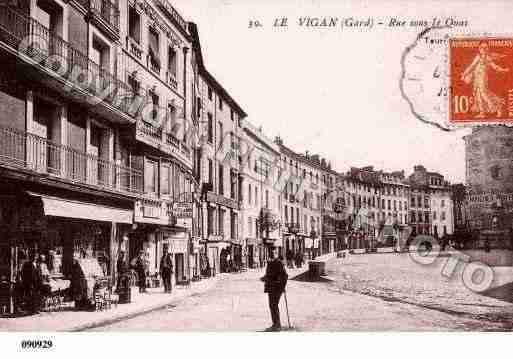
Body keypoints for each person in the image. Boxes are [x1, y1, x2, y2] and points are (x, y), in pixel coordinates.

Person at [260, 246, 288, 331]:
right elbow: (269, 275)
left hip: (277, 288)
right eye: (270, 253)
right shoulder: (270, 263)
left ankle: (277, 325)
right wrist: (264, 278)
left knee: (274, 305)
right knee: (272, 306)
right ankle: (275, 324)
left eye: (273, 253)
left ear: (276, 253)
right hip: (271, 288)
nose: (271, 254)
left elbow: (285, 276)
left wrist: (282, 286)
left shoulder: (279, 263)